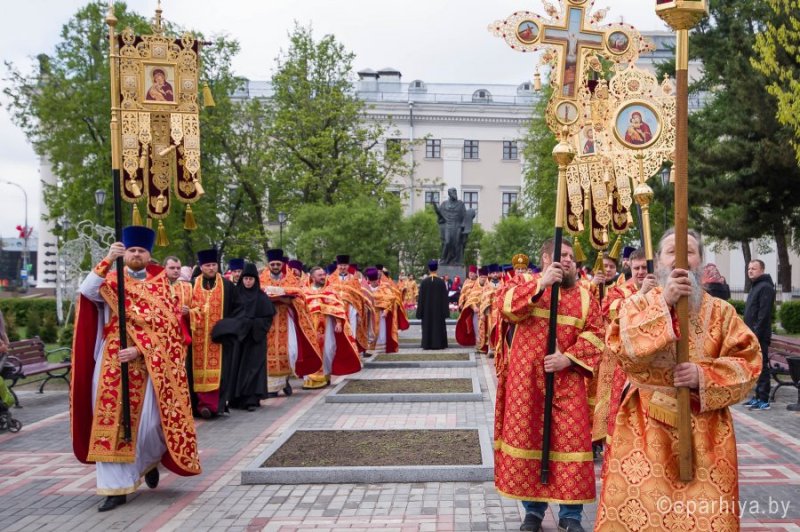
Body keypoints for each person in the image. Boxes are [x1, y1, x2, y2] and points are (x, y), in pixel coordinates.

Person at [595, 229, 761, 531]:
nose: (681, 257)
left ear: (700, 261)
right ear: (659, 261)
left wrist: (704, 374)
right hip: (644, 431)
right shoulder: (637, 305)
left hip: (705, 435)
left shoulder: (721, 312)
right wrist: (664, 304)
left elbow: (749, 362)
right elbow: (623, 350)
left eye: (690, 251)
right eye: (672, 251)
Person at [70, 227, 200, 512]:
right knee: (110, 422)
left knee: (152, 426)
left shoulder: (160, 285)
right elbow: (87, 291)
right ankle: (115, 489)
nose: (136, 254)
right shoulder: (111, 280)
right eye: (131, 250)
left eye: (141, 250)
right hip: (113, 360)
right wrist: (106, 259)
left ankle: (148, 461)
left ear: (149, 254)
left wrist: (141, 349)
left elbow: (170, 330)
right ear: (124, 253)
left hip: (148, 363)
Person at [494, 239, 603, 532]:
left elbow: (597, 334)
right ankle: (533, 511)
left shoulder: (585, 296)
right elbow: (504, 308)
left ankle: (571, 515)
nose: (567, 261)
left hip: (567, 384)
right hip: (526, 385)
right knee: (530, 441)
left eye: (570, 257)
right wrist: (541, 285)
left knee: (571, 445)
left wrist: (567, 359)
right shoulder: (527, 284)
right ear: (545, 258)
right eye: (561, 256)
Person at [260, 249, 322, 394]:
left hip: (286, 319)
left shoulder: (291, 278)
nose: (275, 266)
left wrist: (284, 299)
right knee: (269, 353)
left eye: (278, 264)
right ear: (268, 264)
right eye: (273, 264)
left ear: (282, 264)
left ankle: (286, 380)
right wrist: (279, 297)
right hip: (268, 321)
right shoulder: (261, 278)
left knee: (290, 351)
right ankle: (273, 387)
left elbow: (300, 296)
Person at [218, 263, 275, 411]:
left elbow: (268, 318)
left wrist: (253, 323)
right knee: (235, 368)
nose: (248, 282)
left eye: (251, 279)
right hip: (239, 339)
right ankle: (235, 399)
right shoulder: (236, 295)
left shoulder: (262, 298)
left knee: (254, 368)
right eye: (246, 279)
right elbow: (229, 315)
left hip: (255, 339)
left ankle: (251, 399)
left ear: (256, 280)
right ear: (242, 279)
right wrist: (240, 324)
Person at [188, 248, 238, 418]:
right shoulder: (191, 284)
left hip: (219, 339)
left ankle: (214, 406)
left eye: (213, 265)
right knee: (194, 371)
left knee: (220, 371)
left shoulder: (227, 286)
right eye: (207, 265)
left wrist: (227, 328)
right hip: (196, 339)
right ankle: (198, 406)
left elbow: (238, 310)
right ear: (201, 267)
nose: (211, 268)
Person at [303, 266, 362, 386]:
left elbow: (338, 307)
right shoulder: (304, 291)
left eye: (323, 274)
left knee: (328, 350)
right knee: (310, 350)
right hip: (309, 327)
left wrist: (339, 323)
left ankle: (325, 374)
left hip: (327, 325)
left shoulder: (331, 290)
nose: (323, 277)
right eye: (319, 275)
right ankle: (310, 379)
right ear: (312, 277)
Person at [743, 259, 776, 411]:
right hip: (752, 334)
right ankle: (757, 396)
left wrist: (755, 334)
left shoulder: (765, 287)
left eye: (754, 268)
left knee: (762, 366)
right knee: (755, 366)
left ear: (762, 270)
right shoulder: (755, 286)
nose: (750, 271)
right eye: (749, 268)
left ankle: (764, 399)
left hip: (760, 335)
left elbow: (763, 314)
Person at [365, 267, 409, 354]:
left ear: (378, 279)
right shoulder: (366, 289)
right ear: (369, 280)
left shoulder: (384, 287)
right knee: (370, 331)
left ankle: (381, 348)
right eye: (372, 281)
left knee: (381, 331)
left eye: (375, 281)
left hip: (381, 314)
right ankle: (370, 348)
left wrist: (386, 311)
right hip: (370, 314)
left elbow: (390, 299)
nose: (374, 283)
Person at [416, 260, 449, 350]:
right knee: (438, 326)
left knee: (427, 326)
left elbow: (421, 299)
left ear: (428, 269)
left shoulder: (424, 282)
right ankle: (439, 344)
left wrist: (419, 312)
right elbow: (445, 299)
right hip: (438, 311)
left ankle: (427, 344)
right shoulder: (441, 282)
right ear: (437, 268)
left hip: (427, 311)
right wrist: (446, 312)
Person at [455, 266, 488, 348]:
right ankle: (478, 343)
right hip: (474, 310)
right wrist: (472, 306)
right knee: (474, 327)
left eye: (485, 277)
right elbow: (469, 297)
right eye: (482, 277)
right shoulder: (470, 284)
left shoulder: (489, 286)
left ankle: (487, 345)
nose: (483, 279)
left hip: (487, 311)